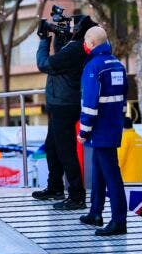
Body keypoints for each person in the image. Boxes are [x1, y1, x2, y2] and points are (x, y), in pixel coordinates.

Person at [32, 15, 97, 210]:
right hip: (59, 103)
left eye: (72, 25)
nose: (69, 28)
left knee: (65, 150)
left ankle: (76, 196)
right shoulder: (73, 46)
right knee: (52, 147)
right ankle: (55, 187)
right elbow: (60, 57)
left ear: (79, 30)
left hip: (64, 105)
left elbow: (45, 64)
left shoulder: (76, 49)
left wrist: (44, 41)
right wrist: (59, 38)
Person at [77, 26, 128, 236]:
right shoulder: (118, 65)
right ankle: (95, 212)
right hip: (113, 126)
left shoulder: (93, 67)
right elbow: (123, 100)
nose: (85, 46)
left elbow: (89, 103)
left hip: (99, 128)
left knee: (111, 175)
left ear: (91, 43)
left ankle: (119, 221)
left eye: (86, 42)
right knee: (98, 169)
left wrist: (84, 130)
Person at [118, 117, 142, 183]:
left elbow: (119, 159)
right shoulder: (140, 138)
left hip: (126, 179)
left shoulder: (124, 138)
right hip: (139, 177)